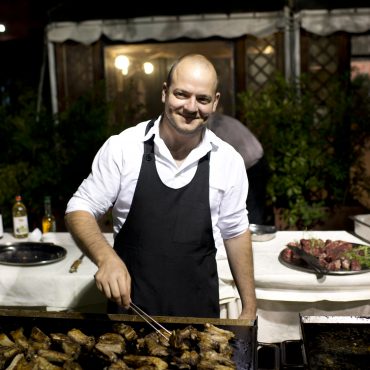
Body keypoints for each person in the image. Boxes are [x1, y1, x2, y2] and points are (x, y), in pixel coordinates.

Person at [65, 53, 257, 319]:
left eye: (202, 99)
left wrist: (249, 306)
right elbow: (79, 208)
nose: (191, 107)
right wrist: (106, 258)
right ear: (165, 93)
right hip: (131, 314)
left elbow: (236, 233)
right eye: (182, 94)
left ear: (215, 102)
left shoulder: (228, 161)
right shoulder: (124, 148)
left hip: (200, 318)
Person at [207, 112, 271, 225]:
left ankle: (253, 238)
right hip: (256, 158)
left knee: (252, 208)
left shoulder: (214, 128)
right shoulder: (221, 120)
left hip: (253, 165)